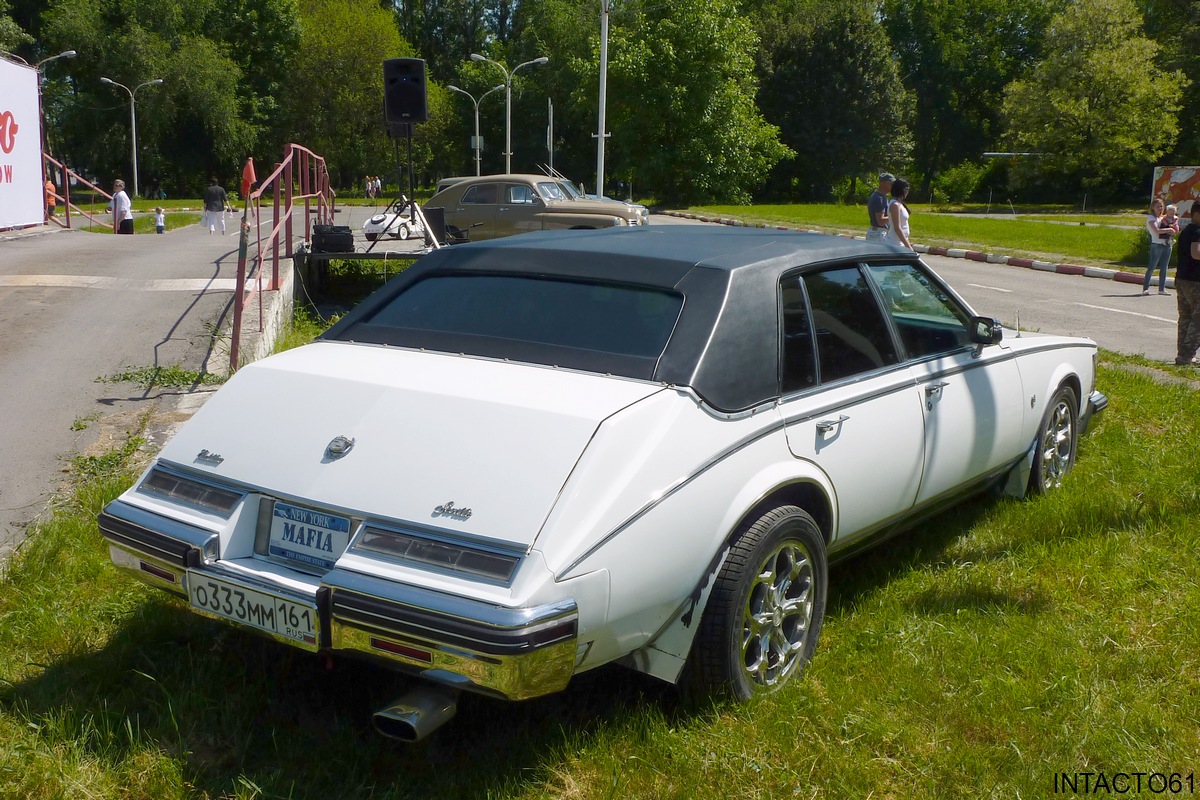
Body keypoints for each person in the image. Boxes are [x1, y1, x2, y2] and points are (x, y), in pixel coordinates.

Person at [1175, 204, 1200, 366]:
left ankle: (1182, 354)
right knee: (1197, 319)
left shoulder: (1185, 231)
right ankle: (1187, 355)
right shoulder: (1198, 232)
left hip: (1182, 278)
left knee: (1185, 317)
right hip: (1196, 281)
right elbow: (1196, 253)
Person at [1143, 198, 1176, 295]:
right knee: (1152, 267)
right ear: (1153, 207)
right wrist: (1169, 229)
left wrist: (1173, 227)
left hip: (1167, 243)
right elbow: (1156, 231)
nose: (1160, 208)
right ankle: (1145, 288)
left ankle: (1161, 288)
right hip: (1156, 245)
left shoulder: (1162, 218)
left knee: (1164, 267)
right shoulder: (1151, 218)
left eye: (1161, 206)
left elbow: (1173, 225)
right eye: (1157, 206)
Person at [884, 178, 913, 250]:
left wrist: (906, 243)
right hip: (895, 243)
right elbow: (897, 228)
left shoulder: (900, 204)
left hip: (901, 242)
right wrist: (908, 246)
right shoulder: (895, 205)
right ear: (901, 190)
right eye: (906, 189)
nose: (907, 192)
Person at [866, 173, 894, 241]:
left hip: (876, 232)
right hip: (879, 234)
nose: (893, 186)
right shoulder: (879, 198)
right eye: (891, 184)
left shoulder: (880, 196)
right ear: (883, 183)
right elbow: (880, 221)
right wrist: (894, 215)